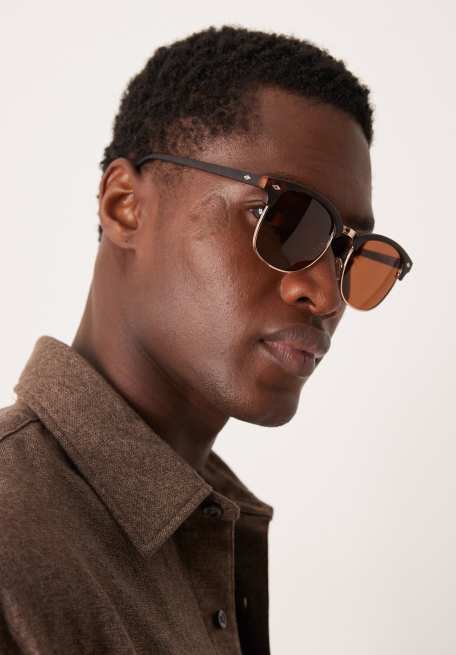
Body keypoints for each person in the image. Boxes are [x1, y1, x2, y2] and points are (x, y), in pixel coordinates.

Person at [0, 24, 412, 655]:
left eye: (348, 254)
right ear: (124, 206)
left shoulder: (206, 524)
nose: (326, 295)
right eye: (282, 220)